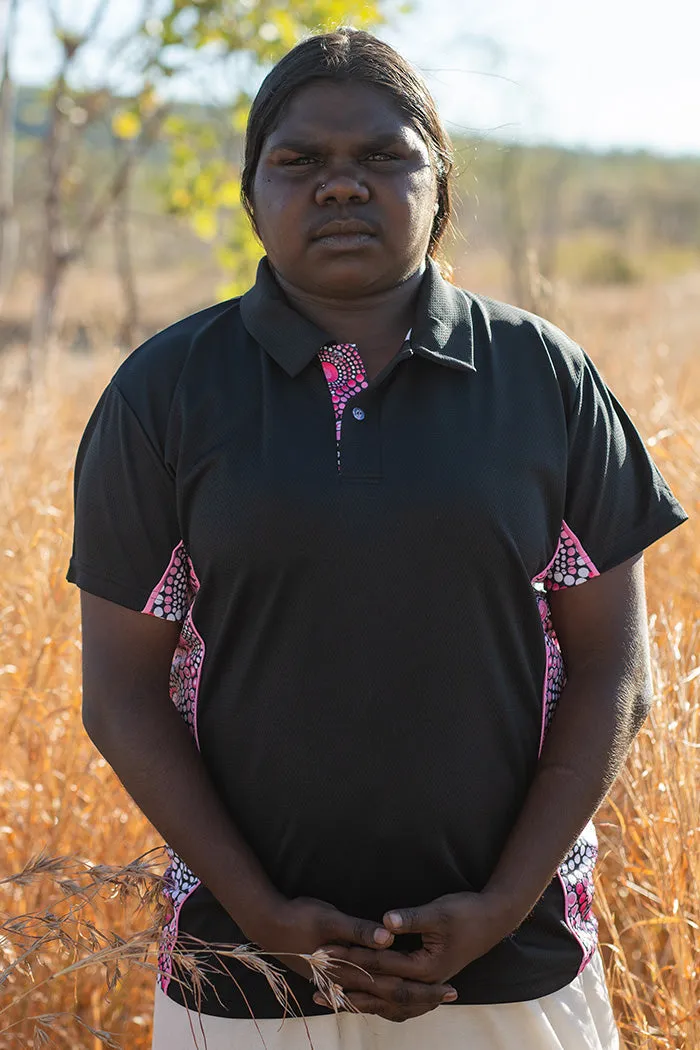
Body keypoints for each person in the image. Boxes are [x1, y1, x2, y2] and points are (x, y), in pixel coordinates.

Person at [66, 27, 688, 1050]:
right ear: (250, 195)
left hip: (513, 964)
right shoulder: (167, 394)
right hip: (244, 971)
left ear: (440, 185)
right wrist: (265, 918)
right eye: (299, 161)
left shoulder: (542, 381)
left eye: (383, 156)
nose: (341, 187)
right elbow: (121, 696)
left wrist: (495, 906)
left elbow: (614, 670)